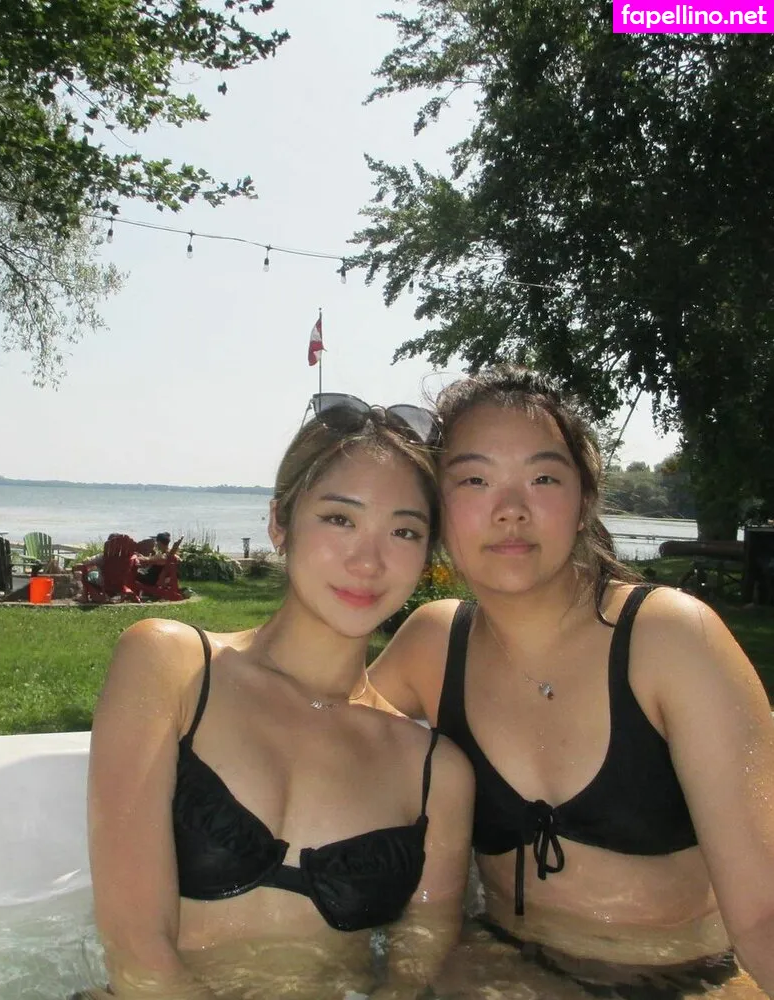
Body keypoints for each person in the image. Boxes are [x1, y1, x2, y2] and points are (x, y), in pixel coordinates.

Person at [369, 365, 774, 998]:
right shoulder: (433, 644)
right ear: (438, 508)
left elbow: (763, 916)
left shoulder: (668, 639)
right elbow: (313, 728)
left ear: (584, 502)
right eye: (474, 480)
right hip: (502, 974)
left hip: (686, 980)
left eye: (543, 478)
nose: (510, 510)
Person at [85, 394, 475, 1000]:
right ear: (279, 523)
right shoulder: (169, 668)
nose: (367, 561)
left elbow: (414, 972)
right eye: (340, 519)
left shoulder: (435, 773)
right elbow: (137, 953)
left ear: (426, 557)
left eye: (404, 531)